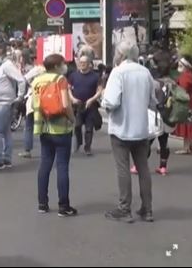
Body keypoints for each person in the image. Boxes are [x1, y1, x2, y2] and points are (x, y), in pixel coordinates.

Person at [102, 41, 157, 223]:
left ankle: (124, 208)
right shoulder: (145, 72)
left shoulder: (118, 73)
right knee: (143, 169)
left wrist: (106, 106)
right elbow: (152, 100)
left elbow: (111, 102)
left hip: (121, 128)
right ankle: (147, 209)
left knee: (123, 169)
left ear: (121, 54)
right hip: (141, 128)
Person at [32, 54, 77, 217]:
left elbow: (34, 104)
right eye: (63, 63)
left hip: (44, 127)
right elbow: (65, 104)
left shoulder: (37, 80)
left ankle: (42, 203)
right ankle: (64, 206)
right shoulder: (60, 80)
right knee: (62, 166)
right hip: (61, 128)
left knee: (45, 165)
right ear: (57, 66)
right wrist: (73, 119)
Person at [0, 48, 26, 171]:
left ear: (4, 54)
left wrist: (20, 96)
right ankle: (6, 158)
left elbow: (21, 79)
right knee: (5, 132)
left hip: (4, 103)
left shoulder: (7, 65)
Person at [67, 55, 103, 156]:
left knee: (89, 128)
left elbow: (100, 90)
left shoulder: (95, 76)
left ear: (89, 64)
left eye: (84, 62)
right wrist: (72, 99)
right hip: (78, 105)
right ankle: (79, 142)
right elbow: (68, 88)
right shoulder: (73, 75)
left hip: (90, 105)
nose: (82, 64)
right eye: (80, 62)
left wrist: (92, 100)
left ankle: (88, 147)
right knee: (77, 126)